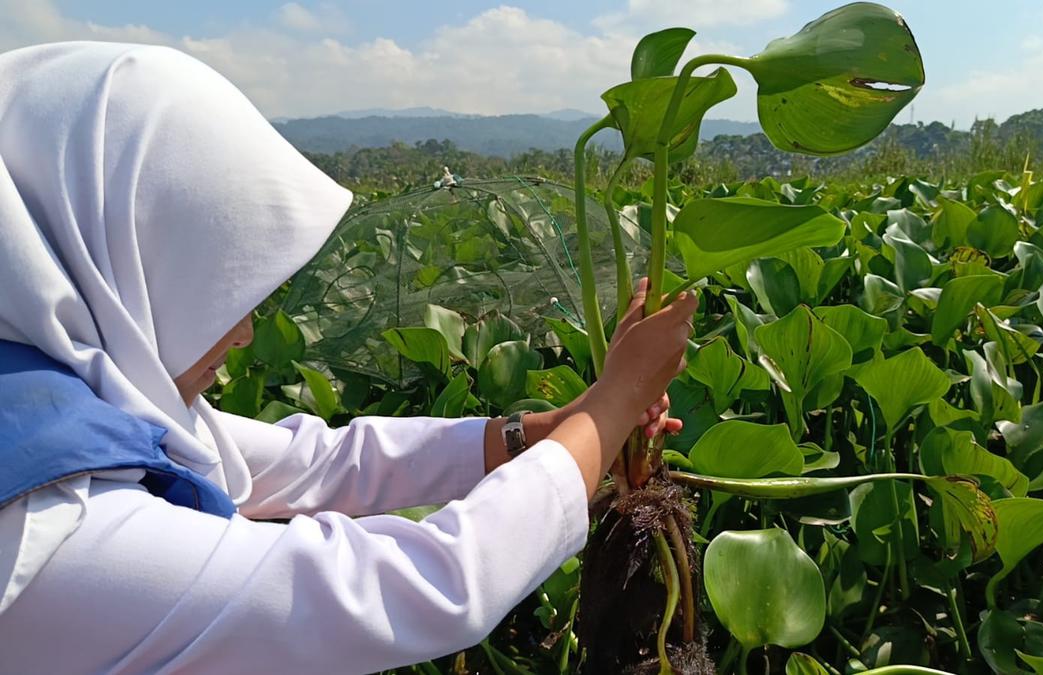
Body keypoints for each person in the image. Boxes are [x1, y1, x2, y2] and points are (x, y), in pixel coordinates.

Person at [0, 42, 698, 673]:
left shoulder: (47, 386)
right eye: (216, 295)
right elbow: (418, 584)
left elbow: (317, 460)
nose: (243, 333)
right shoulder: (43, 538)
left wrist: (550, 427)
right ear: (113, 263)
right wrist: (615, 402)